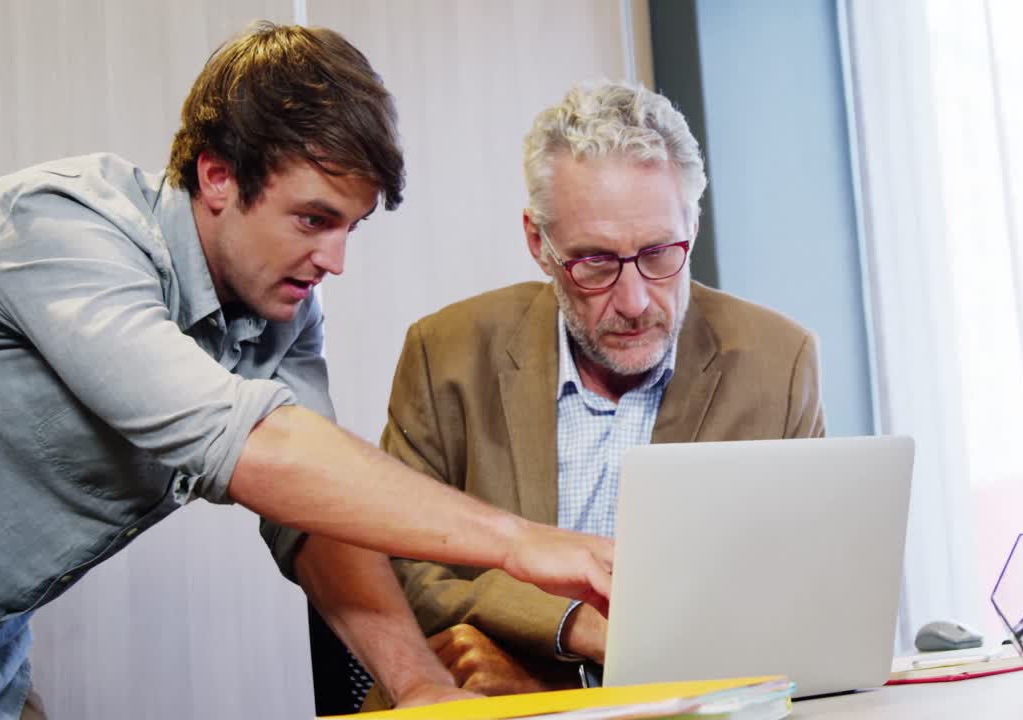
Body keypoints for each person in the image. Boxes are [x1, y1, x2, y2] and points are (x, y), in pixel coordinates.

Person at [0, 23, 613, 720]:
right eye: (313, 219)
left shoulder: (285, 316)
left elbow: (313, 518)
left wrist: (418, 684)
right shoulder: (58, 229)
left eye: (350, 227)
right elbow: (255, 446)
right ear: (218, 176)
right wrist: (521, 543)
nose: (335, 261)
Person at [269, 80, 826, 705]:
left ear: (692, 228)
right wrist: (580, 629)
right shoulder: (446, 353)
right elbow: (404, 567)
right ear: (539, 243)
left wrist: (567, 678)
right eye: (594, 263)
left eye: (660, 253)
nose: (636, 300)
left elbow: (790, 606)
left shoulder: (780, 364)